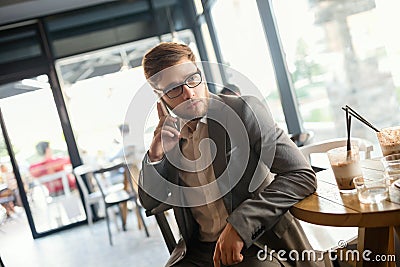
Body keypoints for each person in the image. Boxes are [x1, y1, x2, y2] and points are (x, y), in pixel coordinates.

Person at [139, 42, 320, 267]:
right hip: (199, 253)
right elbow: (150, 203)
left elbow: (301, 175)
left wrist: (241, 224)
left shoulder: (243, 111)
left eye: (192, 79)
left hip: (258, 244)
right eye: (174, 88)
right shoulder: (169, 137)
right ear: (160, 96)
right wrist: (155, 154)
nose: (189, 93)